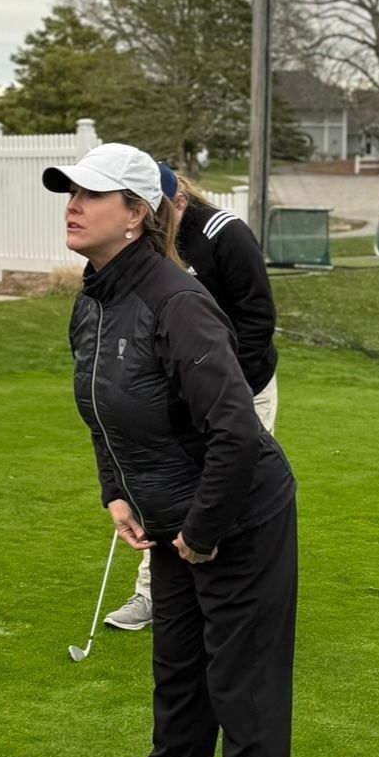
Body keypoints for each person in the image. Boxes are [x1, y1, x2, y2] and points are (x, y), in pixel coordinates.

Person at [43, 142, 299, 757]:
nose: (73, 204)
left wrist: (200, 530)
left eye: (93, 193)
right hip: (171, 523)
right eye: (70, 191)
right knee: (179, 679)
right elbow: (102, 412)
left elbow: (235, 429)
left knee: (244, 692)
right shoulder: (94, 300)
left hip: (239, 521)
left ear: (137, 214)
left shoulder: (177, 300)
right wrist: (118, 494)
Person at [105, 164, 279, 632]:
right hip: (178, 394)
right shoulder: (147, 245)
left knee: (230, 493)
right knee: (165, 491)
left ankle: (234, 600)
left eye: (161, 213)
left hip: (243, 387)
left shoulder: (226, 234)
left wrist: (224, 388)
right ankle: (152, 596)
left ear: (178, 201)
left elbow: (258, 317)